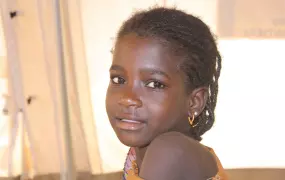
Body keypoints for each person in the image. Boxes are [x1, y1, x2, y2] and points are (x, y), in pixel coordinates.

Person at [105, 7, 227, 180]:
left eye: (154, 84)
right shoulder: (139, 155)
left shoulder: (170, 151)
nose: (127, 98)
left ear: (194, 102)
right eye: (119, 80)